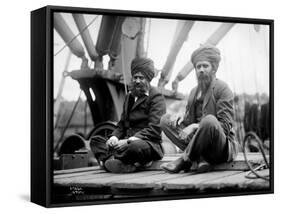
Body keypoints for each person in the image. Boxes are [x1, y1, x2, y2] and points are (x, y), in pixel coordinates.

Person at [160, 45, 239, 173]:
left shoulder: (223, 88)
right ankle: (201, 158)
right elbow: (189, 121)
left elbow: (224, 126)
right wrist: (181, 118)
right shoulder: (193, 92)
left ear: (213, 68)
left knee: (209, 120)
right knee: (165, 119)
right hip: (198, 142)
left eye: (205, 66)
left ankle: (185, 160)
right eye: (198, 67)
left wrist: (196, 126)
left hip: (219, 147)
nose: (201, 70)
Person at [90, 57, 166, 173]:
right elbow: (121, 125)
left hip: (148, 143)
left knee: (135, 147)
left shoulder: (156, 97)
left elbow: (154, 129)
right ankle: (125, 163)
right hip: (125, 141)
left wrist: (128, 142)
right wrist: (114, 138)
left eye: (141, 78)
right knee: (96, 140)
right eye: (135, 77)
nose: (137, 81)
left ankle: (112, 160)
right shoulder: (129, 97)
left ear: (149, 79)